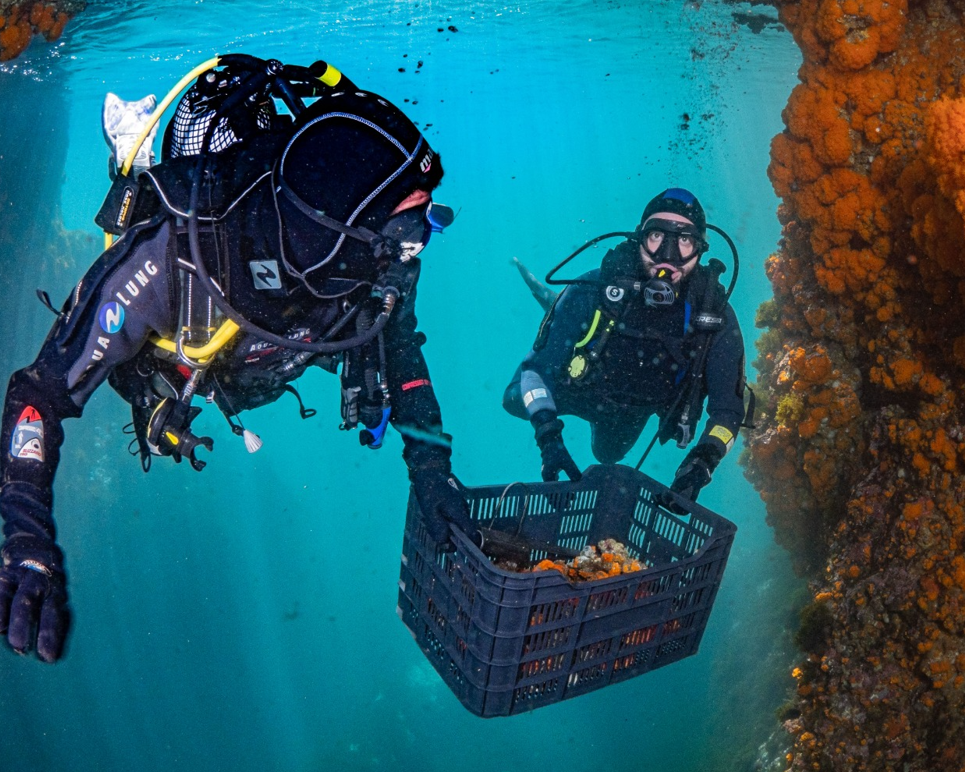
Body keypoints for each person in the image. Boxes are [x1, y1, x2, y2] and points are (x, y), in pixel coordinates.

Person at [0, 54, 474, 663]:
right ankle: (135, 163)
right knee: (142, 359)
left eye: (428, 220)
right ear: (335, 233)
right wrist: (28, 538)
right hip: (185, 361)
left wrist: (432, 468)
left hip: (272, 348)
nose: (419, 247)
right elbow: (39, 394)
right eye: (410, 229)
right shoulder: (167, 261)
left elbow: (401, 350)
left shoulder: (379, 265)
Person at [503, 188, 747, 509]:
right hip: (583, 389)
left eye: (685, 240)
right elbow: (534, 373)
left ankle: (559, 314)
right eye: (657, 236)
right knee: (515, 397)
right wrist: (548, 437)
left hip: (633, 412)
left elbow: (728, 412)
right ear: (639, 238)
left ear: (700, 249)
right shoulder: (592, 291)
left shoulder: (713, 317)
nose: (668, 254)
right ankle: (559, 314)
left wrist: (701, 464)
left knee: (607, 454)